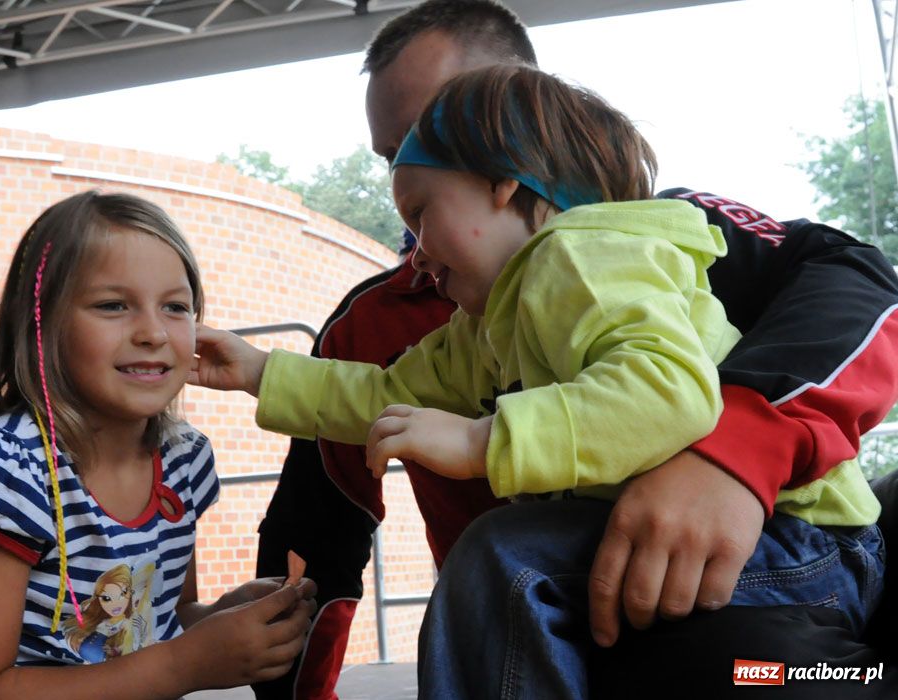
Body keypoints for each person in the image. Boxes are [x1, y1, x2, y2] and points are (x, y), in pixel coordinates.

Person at [253, 2, 898, 697]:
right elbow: (317, 527)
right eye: (392, 158)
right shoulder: (399, 321)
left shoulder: (639, 239)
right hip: (552, 621)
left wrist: (735, 453)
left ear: (511, 140)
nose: (406, 184)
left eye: (434, 133)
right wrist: (256, 370)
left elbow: (862, 284)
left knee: (772, 674)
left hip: (775, 568)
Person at [0, 191, 317, 700]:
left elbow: (155, 620)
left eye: (176, 307)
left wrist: (225, 620)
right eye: (113, 305)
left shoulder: (184, 461)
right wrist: (185, 665)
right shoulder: (7, 471)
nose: (153, 332)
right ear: (39, 325)